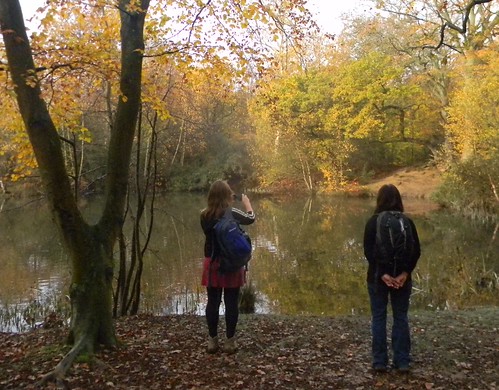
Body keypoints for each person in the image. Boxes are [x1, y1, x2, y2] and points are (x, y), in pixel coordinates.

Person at [363, 184, 421, 373]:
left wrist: (383, 275)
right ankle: (402, 361)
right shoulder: (407, 222)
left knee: (379, 318)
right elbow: (416, 251)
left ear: (379, 200)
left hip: (378, 279)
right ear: (399, 199)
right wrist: (404, 274)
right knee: (400, 317)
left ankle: (380, 362)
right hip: (402, 280)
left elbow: (369, 252)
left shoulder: (373, 222)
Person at [200, 180, 255, 354]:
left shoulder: (204, 215)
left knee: (213, 302)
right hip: (232, 263)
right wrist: (247, 204)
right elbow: (251, 219)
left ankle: (212, 341)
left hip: (213, 262)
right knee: (231, 303)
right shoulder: (232, 212)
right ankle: (230, 342)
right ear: (227, 195)